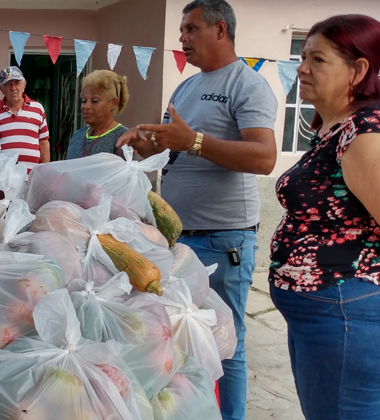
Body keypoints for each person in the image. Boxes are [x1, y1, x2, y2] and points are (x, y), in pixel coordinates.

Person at [116, 1, 277, 419]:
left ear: (220, 30)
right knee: (183, 338)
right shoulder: (186, 87)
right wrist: (147, 142)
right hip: (180, 238)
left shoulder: (248, 84)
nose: (182, 38)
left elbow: (264, 158)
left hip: (223, 240)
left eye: (190, 29)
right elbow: (176, 150)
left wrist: (196, 141)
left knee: (226, 343)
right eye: (182, 30)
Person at [268, 15, 380, 420]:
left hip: (353, 316)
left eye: (318, 59)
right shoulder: (336, 127)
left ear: (358, 70)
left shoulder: (368, 135)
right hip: (331, 317)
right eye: (303, 56)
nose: (302, 68)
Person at [0, 66, 50, 173]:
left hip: (31, 178)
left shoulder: (38, 109)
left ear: (24, 85)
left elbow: (43, 144)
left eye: (17, 83)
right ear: (1, 89)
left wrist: (46, 173)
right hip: (3, 180)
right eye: (8, 84)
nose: (13, 88)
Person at [65, 70, 130, 159]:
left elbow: (125, 172)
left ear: (113, 103)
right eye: (84, 100)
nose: (86, 106)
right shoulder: (78, 135)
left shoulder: (123, 137)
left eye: (94, 100)